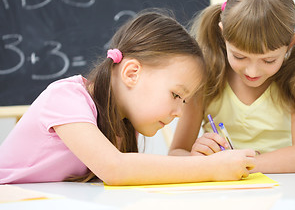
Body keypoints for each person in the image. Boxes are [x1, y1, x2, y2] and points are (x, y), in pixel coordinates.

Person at [0, 10, 256, 184]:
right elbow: (115, 169)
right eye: (176, 95)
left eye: (184, 101)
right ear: (131, 73)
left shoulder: (123, 127)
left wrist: (193, 161)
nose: (179, 112)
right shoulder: (65, 98)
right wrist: (209, 169)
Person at [169, 0, 295, 173]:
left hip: (282, 194)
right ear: (223, 33)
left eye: (268, 60)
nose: (252, 72)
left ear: (291, 43)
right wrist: (201, 161)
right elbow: (176, 152)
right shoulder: (207, 78)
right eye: (239, 56)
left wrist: (240, 164)